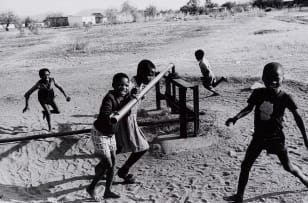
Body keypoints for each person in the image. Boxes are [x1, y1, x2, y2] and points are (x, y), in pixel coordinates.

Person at [225, 62, 308, 203]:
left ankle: (306, 181)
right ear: (263, 78)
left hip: (276, 139)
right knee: (245, 166)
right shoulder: (258, 93)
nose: (272, 81)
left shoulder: (285, 97)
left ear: (284, 78)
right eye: (268, 78)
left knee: (289, 167)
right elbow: (248, 108)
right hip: (258, 138)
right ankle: (239, 196)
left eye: (276, 77)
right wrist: (235, 118)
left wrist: (306, 140)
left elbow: (298, 118)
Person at [86, 72, 131, 200]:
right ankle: (91, 188)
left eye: (126, 85)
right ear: (114, 85)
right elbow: (106, 112)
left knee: (113, 164)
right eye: (120, 85)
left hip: (111, 134)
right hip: (100, 134)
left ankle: (107, 191)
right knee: (108, 166)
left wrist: (134, 96)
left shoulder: (125, 96)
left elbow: (129, 101)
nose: (124, 88)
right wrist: (112, 115)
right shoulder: (109, 98)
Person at [115, 59, 156, 183]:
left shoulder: (139, 83)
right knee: (143, 147)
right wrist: (130, 97)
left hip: (130, 119)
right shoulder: (131, 85)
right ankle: (123, 170)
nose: (151, 78)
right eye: (149, 74)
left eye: (153, 75)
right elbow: (118, 100)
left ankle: (103, 168)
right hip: (124, 121)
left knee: (118, 148)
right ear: (140, 73)